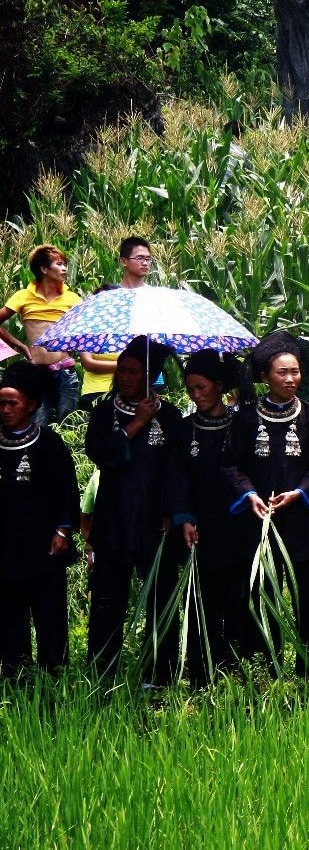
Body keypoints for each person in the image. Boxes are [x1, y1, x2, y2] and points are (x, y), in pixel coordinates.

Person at [85, 335, 195, 685]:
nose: (125, 377)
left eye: (134, 371)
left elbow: (178, 470)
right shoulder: (104, 413)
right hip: (114, 518)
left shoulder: (172, 416)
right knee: (107, 600)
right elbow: (102, 455)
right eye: (122, 370)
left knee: (160, 599)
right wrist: (136, 422)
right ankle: (102, 673)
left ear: (150, 376)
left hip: (155, 522)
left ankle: (158, 675)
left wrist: (172, 511)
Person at [222, 330, 309, 676]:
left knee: (308, 596)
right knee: (263, 593)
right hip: (260, 520)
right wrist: (250, 495)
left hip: (302, 521)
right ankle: (267, 665)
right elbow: (231, 465)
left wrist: (300, 492)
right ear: (265, 376)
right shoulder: (245, 418)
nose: (290, 379)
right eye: (282, 372)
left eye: (295, 371)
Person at [0, 362, 78, 676]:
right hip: (6, 546)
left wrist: (63, 530)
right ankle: (16, 672)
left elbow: (67, 490)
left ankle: (53, 674)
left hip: (44, 545)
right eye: (1, 404)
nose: (5, 410)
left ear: (31, 405)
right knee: (8, 612)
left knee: (49, 611)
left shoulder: (49, 444)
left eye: (12, 403)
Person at [177, 350, 240, 687]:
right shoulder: (185, 429)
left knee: (237, 597)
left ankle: (239, 670)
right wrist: (184, 517)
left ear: (218, 385)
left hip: (236, 524)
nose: (196, 395)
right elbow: (177, 477)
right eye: (190, 389)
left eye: (201, 387)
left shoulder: (241, 425)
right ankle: (202, 674)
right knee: (202, 600)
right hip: (199, 528)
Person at [0, 245, 83, 423]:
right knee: (38, 423)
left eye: (65, 264)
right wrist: (19, 345)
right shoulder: (23, 296)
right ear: (44, 269)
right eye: (59, 264)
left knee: (68, 422)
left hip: (65, 370)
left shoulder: (73, 298)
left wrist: (74, 344)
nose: (64, 269)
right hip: (36, 372)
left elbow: (86, 328)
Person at [78, 238, 155, 411]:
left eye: (148, 259)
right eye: (140, 258)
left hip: (144, 385)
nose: (145, 263)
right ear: (124, 261)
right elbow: (87, 361)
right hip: (98, 389)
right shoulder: (106, 298)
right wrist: (131, 369)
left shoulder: (155, 298)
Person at [77, 284, 122, 410]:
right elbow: (88, 363)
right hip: (94, 392)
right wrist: (123, 366)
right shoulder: (87, 329)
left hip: (124, 391)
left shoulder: (129, 330)